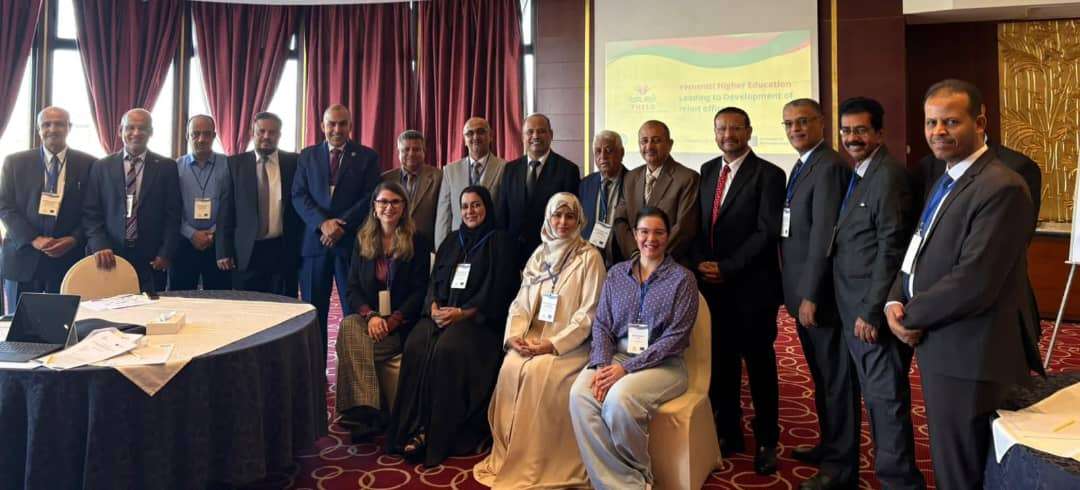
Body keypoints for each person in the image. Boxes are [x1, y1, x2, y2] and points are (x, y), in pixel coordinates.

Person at [886, 79, 1035, 490]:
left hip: (971, 356)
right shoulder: (947, 177)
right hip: (942, 344)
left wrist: (909, 316)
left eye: (950, 122)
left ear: (980, 122)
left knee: (961, 471)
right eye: (931, 122)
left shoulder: (1002, 186)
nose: (938, 131)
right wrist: (893, 300)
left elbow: (975, 280)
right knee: (948, 459)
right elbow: (917, 248)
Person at [823, 97, 924, 490]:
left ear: (879, 133)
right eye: (846, 131)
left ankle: (901, 483)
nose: (852, 138)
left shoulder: (888, 176)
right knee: (876, 399)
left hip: (871, 314)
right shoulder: (863, 172)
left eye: (861, 130)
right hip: (852, 307)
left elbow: (891, 248)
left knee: (886, 403)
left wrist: (871, 310)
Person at [473, 193, 606, 488]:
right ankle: (510, 456)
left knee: (538, 372)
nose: (563, 222)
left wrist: (552, 344)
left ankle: (539, 462)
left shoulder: (590, 257)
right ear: (548, 218)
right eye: (557, 215)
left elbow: (589, 314)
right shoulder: (539, 254)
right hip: (532, 337)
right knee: (511, 366)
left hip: (571, 346)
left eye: (570, 216)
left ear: (579, 220)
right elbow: (520, 303)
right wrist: (515, 336)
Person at [385, 185, 516, 468]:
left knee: (447, 349)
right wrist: (433, 307)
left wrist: (464, 313)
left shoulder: (500, 242)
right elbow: (433, 281)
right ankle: (409, 428)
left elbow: (500, 291)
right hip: (441, 316)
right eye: (465, 206)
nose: (470, 211)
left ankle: (433, 435)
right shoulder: (451, 241)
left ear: (487, 207)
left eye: (476, 205)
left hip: (478, 322)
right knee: (416, 344)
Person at [569, 207, 700, 489]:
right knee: (580, 395)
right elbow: (602, 324)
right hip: (616, 357)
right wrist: (602, 365)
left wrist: (626, 369)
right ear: (634, 234)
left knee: (619, 401)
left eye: (659, 232)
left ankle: (634, 479)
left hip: (664, 365)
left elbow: (675, 338)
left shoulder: (683, 279)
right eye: (644, 232)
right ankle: (625, 484)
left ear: (668, 236)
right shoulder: (616, 274)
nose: (651, 239)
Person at [692, 107, 787, 476]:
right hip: (713, 289)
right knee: (722, 363)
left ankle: (767, 440)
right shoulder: (707, 171)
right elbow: (700, 225)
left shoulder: (769, 175)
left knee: (759, 365)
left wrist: (728, 267)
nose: (727, 135)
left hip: (752, 289)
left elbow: (767, 231)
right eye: (721, 129)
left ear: (749, 131)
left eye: (735, 128)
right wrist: (702, 263)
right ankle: (730, 432)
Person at [777, 98, 856, 478]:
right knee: (822, 379)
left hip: (820, 299)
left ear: (822, 122)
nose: (796, 129)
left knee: (837, 383)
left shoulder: (829, 166)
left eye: (803, 121)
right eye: (789, 123)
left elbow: (825, 237)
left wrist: (811, 294)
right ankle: (829, 446)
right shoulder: (803, 164)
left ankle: (841, 468)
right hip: (803, 295)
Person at [335, 182, 431, 442]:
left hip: (401, 324)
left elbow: (420, 291)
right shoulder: (362, 239)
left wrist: (393, 320)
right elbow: (352, 288)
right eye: (383, 202)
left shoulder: (418, 241)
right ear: (374, 208)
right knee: (348, 326)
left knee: (349, 345)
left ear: (404, 207)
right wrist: (371, 316)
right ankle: (371, 411)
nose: (389, 207)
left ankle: (362, 413)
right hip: (370, 320)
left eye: (395, 202)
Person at [292, 104, 381, 356]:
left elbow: (370, 196)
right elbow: (299, 195)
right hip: (314, 244)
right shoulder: (307, 156)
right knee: (313, 314)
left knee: (354, 314)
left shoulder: (367, 157)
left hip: (350, 243)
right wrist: (323, 224)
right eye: (331, 123)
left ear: (350, 126)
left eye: (342, 124)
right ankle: (314, 371)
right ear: (323, 126)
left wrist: (341, 225)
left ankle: (353, 371)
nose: (337, 129)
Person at [0, 107, 95, 312]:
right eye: (46, 124)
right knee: (18, 323)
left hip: (67, 258)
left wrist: (74, 239)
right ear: (38, 129)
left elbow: (92, 211)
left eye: (59, 124)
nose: (52, 129)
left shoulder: (89, 163)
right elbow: (5, 206)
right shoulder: (14, 162)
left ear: (69, 127)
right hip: (22, 255)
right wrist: (34, 239)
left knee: (63, 322)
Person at [83, 108, 181, 293]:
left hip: (152, 259)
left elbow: (173, 215)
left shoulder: (167, 167)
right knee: (109, 305)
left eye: (142, 128)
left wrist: (166, 252)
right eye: (130, 127)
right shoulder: (101, 166)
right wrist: (99, 244)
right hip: (109, 255)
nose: (136, 133)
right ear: (121, 130)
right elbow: (91, 212)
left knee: (151, 307)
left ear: (151, 132)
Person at [218, 112, 302, 296]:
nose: (266, 136)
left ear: (279, 135)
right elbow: (226, 211)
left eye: (272, 132)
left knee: (284, 305)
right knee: (248, 306)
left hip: (282, 248)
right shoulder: (234, 164)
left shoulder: (294, 163)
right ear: (252, 133)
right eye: (261, 131)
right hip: (246, 251)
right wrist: (223, 250)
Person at [497, 113, 580, 270]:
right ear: (523, 136)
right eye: (530, 132)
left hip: (551, 257)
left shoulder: (568, 170)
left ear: (551, 135)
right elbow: (502, 214)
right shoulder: (510, 169)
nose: (535, 136)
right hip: (512, 257)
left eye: (541, 131)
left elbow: (571, 219)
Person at [614, 120, 699, 265]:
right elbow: (621, 220)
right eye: (644, 141)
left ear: (670, 144)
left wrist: (653, 258)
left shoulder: (688, 178)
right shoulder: (630, 177)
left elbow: (684, 228)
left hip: (670, 266)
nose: (649, 147)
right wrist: (635, 254)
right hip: (635, 264)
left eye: (656, 140)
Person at [171, 115, 232, 290]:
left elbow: (231, 205)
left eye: (206, 134)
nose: (201, 139)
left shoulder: (228, 165)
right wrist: (191, 234)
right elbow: (171, 208)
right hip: (184, 243)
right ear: (187, 136)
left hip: (218, 245)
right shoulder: (175, 167)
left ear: (214, 136)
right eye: (195, 134)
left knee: (219, 298)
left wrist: (213, 232)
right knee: (182, 297)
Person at [435, 117, 506, 248]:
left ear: (491, 136)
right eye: (470, 133)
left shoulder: (505, 168)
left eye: (481, 132)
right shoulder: (450, 171)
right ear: (464, 140)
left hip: (491, 244)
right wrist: (442, 249)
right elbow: (444, 215)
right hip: (458, 245)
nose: (475, 137)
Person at [381, 130, 441, 247]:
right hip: (391, 244)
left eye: (416, 149)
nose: (411, 153)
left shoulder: (439, 177)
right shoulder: (385, 179)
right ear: (398, 152)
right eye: (406, 149)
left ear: (424, 151)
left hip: (426, 245)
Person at [579, 130, 628, 267]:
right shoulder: (585, 184)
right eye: (598, 151)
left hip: (623, 263)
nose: (603, 156)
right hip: (590, 263)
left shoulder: (633, 182)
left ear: (621, 153)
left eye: (608, 150)